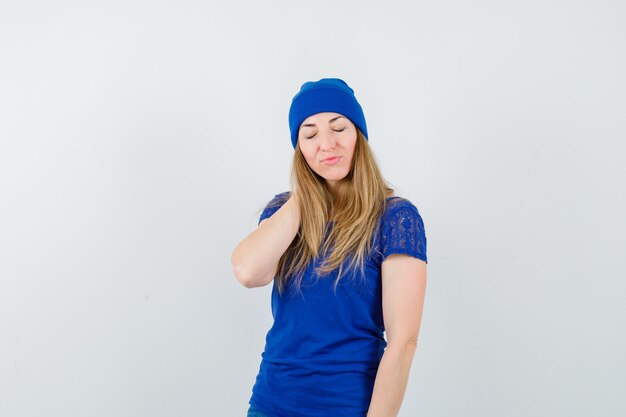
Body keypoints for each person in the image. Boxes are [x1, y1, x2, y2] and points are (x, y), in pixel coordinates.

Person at [231, 77, 428, 417]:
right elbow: (249, 272)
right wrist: (307, 194)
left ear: (359, 136)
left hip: (346, 406)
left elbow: (403, 343)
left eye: (338, 128)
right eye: (309, 134)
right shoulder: (284, 212)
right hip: (271, 403)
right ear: (299, 149)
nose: (326, 144)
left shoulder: (395, 218)